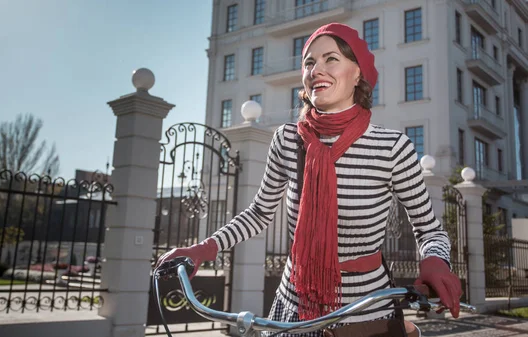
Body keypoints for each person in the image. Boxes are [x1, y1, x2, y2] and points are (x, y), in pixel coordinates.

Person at [157, 23, 462, 337]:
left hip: (367, 311)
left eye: (331, 59)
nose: (317, 69)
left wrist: (436, 261)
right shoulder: (287, 139)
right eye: (309, 62)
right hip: (294, 304)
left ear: (358, 74)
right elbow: (260, 213)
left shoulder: (391, 147)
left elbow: (430, 230)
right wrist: (207, 247)